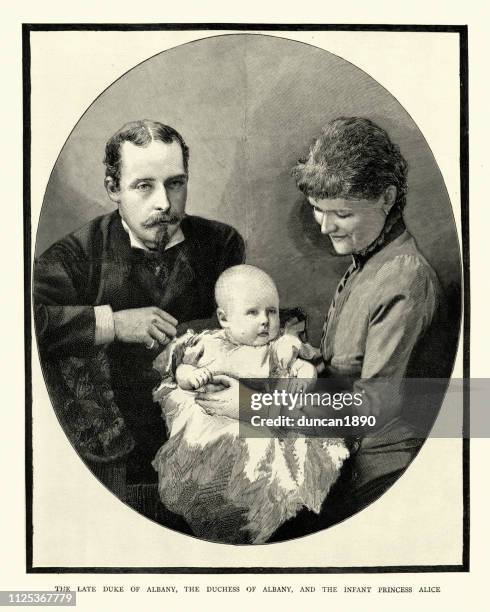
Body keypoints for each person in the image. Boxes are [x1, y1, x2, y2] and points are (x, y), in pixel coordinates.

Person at [197, 117, 450, 539]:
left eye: (342, 213)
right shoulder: (370, 260)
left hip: (378, 474)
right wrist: (303, 354)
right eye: (318, 209)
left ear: (387, 197)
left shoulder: (405, 278)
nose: (324, 226)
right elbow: (347, 366)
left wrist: (253, 408)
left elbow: (373, 409)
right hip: (341, 456)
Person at [34, 120, 245, 490]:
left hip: (207, 447)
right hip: (114, 462)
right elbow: (25, 322)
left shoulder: (221, 244)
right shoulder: (77, 254)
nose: (164, 203)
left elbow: (239, 331)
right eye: (144, 186)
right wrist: (112, 324)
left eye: (175, 183)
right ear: (113, 188)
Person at [151, 265, 348, 544]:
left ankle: (260, 522)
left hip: (262, 419)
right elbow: (179, 372)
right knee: (217, 466)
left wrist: (304, 379)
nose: (266, 321)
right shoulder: (208, 344)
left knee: (272, 469)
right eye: (252, 313)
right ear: (224, 318)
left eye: (272, 311)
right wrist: (191, 376)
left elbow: (305, 367)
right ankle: (225, 519)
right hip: (216, 424)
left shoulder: (278, 347)